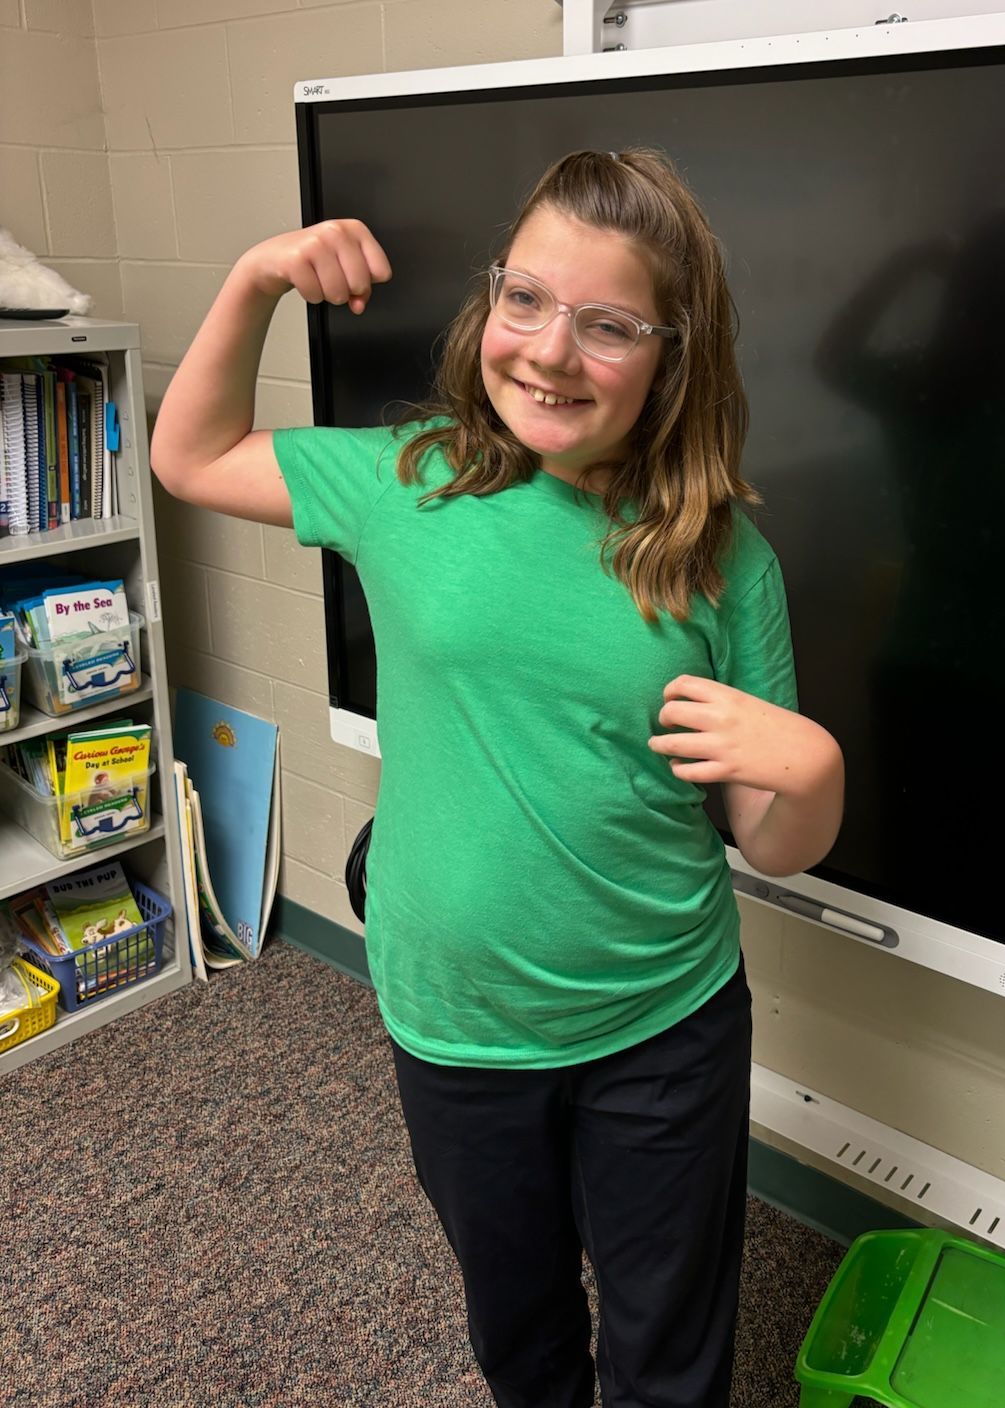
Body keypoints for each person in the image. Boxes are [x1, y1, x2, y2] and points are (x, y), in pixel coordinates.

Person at [151, 147, 844, 1408]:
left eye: (608, 324)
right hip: (454, 1021)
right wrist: (255, 278)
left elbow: (773, 835)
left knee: (670, 1352)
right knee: (519, 1331)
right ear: (489, 305)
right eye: (524, 299)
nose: (550, 351)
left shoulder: (720, 558)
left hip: (663, 1026)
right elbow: (191, 458)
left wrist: (816, 770)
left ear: (672, 354)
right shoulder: (411, 478)